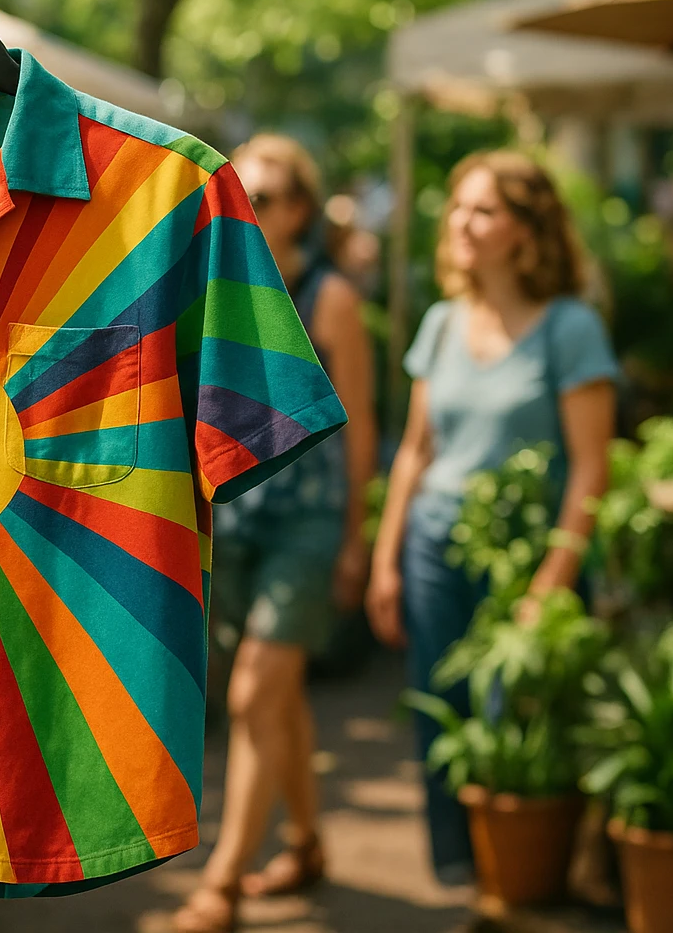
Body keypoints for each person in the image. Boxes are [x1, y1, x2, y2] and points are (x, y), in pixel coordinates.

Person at [364, 150, 618, 884]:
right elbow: (413, 452)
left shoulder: (570, 329)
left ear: (527, 231)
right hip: (432, 545)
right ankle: (464, 875)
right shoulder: (442, 323)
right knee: (439, 709)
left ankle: (524, 881)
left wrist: (552, 580)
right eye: (457, 208)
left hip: (524, 551)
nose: (461, 223)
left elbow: (592, 469)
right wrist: (385, 559)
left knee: (518, 717)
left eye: (483, 209)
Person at [175, 134, 377, 933]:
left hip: (308, 518)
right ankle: (309, 840)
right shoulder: (216, 281)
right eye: (238, 192)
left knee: (256, 687)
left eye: (266, 196)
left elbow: (359, 433)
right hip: (235, 512)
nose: (247, 208)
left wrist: (357, 540)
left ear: (301, 210)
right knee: (276, 697)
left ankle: (221, 883)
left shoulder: (333, 301)